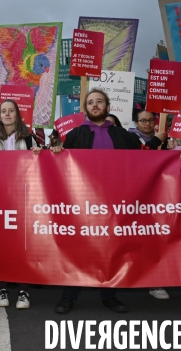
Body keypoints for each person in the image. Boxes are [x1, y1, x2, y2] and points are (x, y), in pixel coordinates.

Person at [50, 88, 150, 314]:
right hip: (82, 202)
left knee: (110, 249)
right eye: (91, 102)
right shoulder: (75, 135)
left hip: (115, 204)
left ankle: (110, 296)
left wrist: (175, 154)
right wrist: (56, 152)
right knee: (79, 249)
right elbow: (61, 166)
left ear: (108, 107)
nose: (95, 105)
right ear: (85, 109)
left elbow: (147, 160)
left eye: (99, 102)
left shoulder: (123, 136)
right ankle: (69, 296)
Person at [0, 99, 41, 309]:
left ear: (17, 115)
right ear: (0, 116)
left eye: (11, 111)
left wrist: (40, 154)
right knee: (0, 243)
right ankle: (1, 288)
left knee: (24, 243)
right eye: (3, 111)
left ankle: (24, 291)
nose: (7, 114)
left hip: (24, 197)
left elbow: (40, 165)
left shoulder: (29, 138)